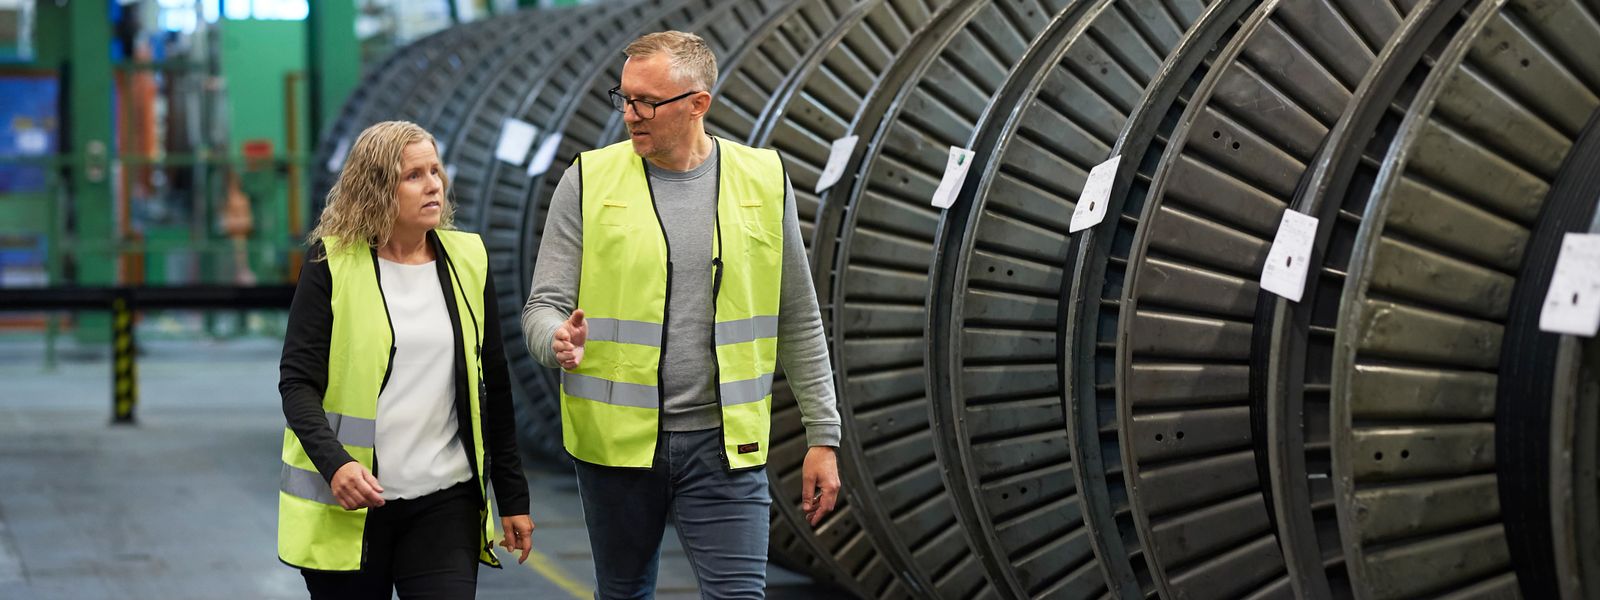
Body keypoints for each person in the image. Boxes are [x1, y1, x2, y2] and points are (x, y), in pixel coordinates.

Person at [522, 31, 843, 599]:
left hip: (725, 448)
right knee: (623, 593)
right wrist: (556, 341)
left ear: (698, 103)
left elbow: (797, 314)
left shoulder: (764, 180)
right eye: (623, 98)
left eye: (646, 101)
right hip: (616, 449)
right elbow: (543, 307)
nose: (630, 115)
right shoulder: (588, 180)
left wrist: (823, 433)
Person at [278, 120, 534, 598]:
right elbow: (297, 384)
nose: (433, 184)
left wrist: (513, 497)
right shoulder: (332, 265)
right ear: (376, 189)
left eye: (435, 170)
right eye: (413, 175)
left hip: (445, 501)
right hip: (352, 505)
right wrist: (336, 465)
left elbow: (493, 385)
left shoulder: (467, 259)